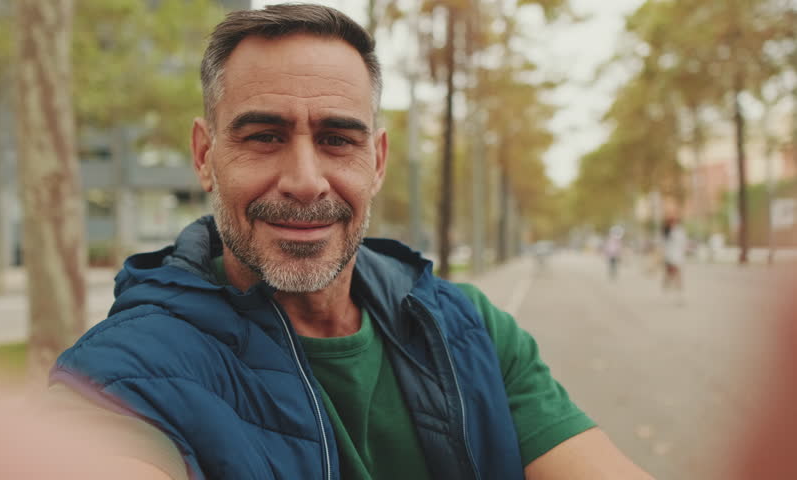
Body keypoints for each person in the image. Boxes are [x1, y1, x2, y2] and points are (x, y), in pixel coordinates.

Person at [46, 5, 653, 479]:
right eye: (263, 136)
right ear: (206, 157)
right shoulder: (122, 375)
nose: (306, 182)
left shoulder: (473, 334)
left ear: (378, 160)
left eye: (338, 139)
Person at [662, 217, 687, 297]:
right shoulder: (666, 232)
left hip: (677, 256)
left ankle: (679, 290)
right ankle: (668, 284)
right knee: (670, 273)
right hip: (669, 256)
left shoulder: (679, 231)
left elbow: (683, 242)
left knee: (677, 273)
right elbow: (663, 244)